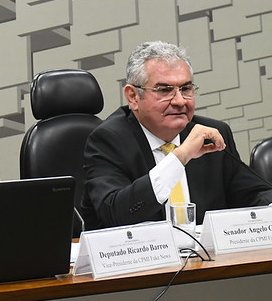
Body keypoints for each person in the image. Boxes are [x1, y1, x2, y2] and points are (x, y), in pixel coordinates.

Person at [82, 41, 272, 228]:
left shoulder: (213, 133)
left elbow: (254, 194)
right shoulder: (108, 140)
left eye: (186, 89)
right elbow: (116, 213)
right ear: (133, 97)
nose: (180, 101)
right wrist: (180, 157)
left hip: (208, 258)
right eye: (164, 90)